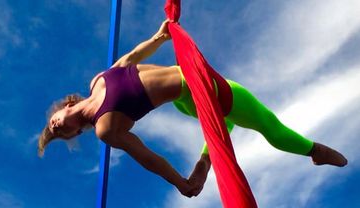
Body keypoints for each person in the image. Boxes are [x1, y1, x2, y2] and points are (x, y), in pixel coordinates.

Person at [38, 20, 347, 198]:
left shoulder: (97, 82)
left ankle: (204, 162)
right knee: (268, 126)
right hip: (200, 92)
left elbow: (131, 56)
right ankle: (314, 151)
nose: (57, 128)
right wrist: (180, 183)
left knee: (231, 122)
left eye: (54, 123)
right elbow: (147, 156)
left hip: (189, 94)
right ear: (78, 130)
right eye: (62, 133)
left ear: (66, 106)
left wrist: (160, 36)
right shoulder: (106, 127)